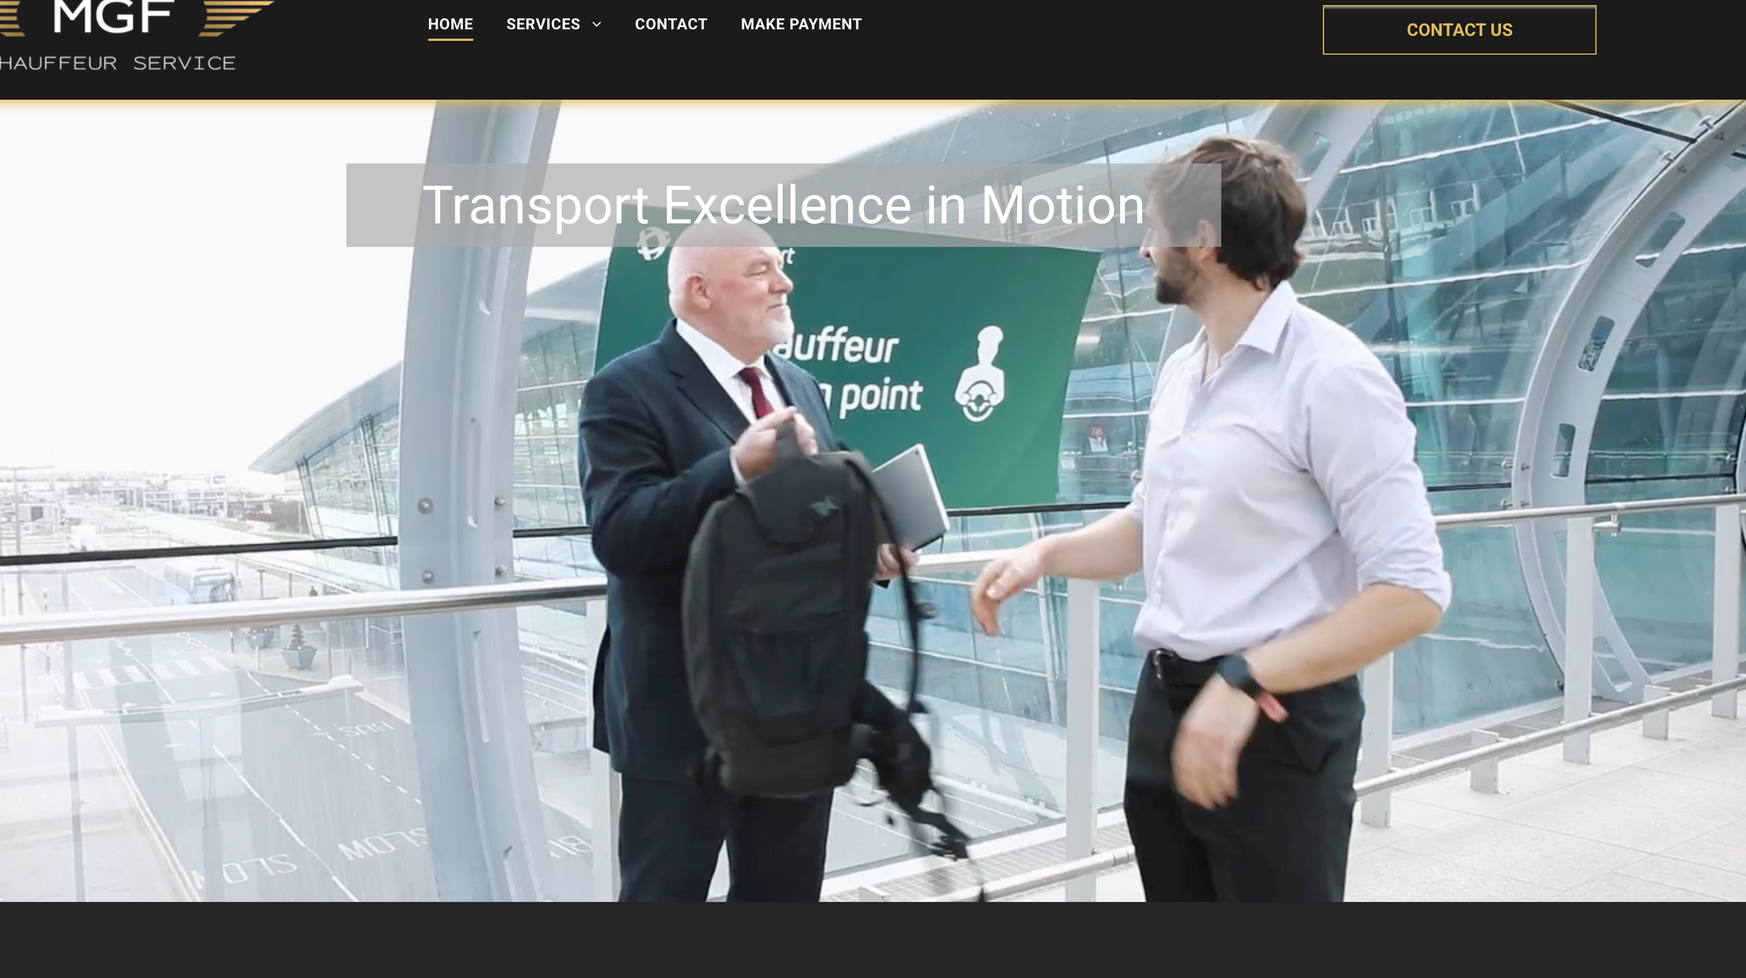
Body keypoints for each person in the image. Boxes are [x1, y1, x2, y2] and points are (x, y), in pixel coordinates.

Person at [970, 136, 1452, 902]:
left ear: (1202, 239)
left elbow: (1413, 592)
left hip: (1274, 719)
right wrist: (1045, 554)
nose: (1144, 246)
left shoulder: (1333, 376)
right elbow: (1150, 523)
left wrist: (1244, 679)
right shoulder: (1182, 371)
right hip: (1167, 708)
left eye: (1155, 226)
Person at [577, 220, 918, 902]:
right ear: (699, 291)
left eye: (779, 267)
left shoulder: (801, 384)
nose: (784, 282)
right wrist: (733, 466)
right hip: (683, 717)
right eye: (761, 269)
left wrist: (870, 547)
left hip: (798, 708)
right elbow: (621, 534)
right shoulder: (625, 388)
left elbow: (817, 513)